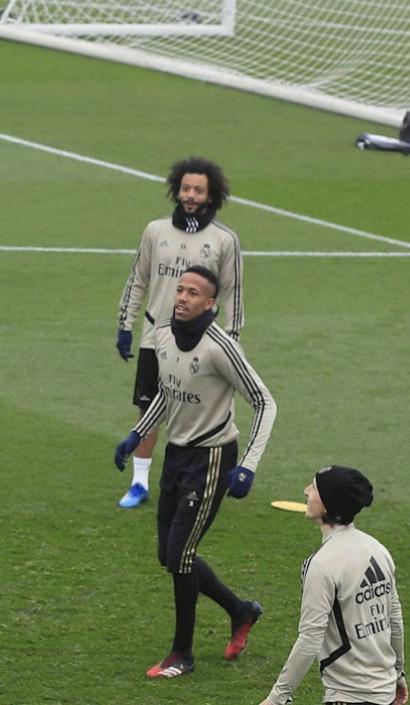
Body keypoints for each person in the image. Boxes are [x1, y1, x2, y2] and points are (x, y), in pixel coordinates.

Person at [113, 265, 274, 678]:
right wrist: (137, 434)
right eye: (180, 289)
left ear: (210, 303)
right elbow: (168, 394)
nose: (182, 297)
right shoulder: (164, 333)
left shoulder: (221, 347)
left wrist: (248, 466)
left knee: (181, 557)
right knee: (168, 555)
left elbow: (265, 402)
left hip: (212, 458)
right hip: (176, 455)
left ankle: (181, 654)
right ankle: (240, 610)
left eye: (193, 293)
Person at [115, 157, 243, 509]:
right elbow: (138, 279)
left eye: (198, 190)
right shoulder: (155, 231)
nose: (190, 195)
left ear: (211, 195)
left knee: (194, 409)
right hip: (155, 338)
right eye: (186, 188)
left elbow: (232, 294)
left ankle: (197, 479)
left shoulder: (224, 240)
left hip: (201, 344)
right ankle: (139, 482)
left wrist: (232, 340)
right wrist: (125, 324)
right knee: (148, 409)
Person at [258, 466, 407, 705]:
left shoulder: (321, 565)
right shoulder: (378, 550)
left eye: (314, 488)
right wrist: (398, 673)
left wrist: (276, 698)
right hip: (385, 693)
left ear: (328, 505)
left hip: (349, 696)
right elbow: (394, 619)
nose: (306, 491)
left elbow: (310, 639)